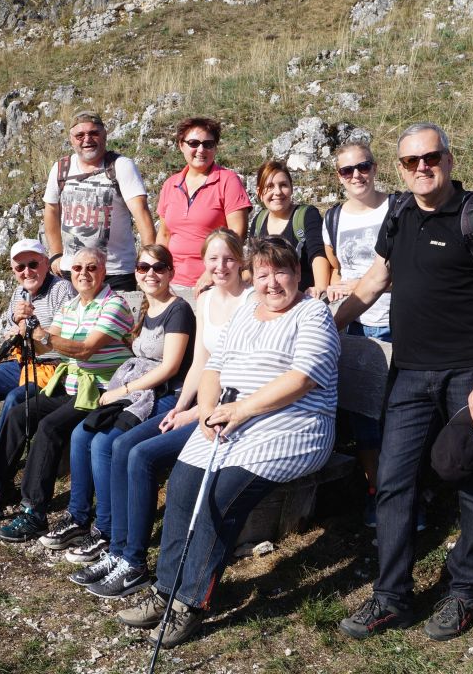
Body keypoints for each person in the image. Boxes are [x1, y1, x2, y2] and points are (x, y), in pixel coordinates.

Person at [334, 122, 473, 642]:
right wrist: (324, 329)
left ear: (449, 159)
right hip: (409, 374)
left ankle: (464, 590)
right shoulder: (398, 215)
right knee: (393, 482)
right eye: (411, 161)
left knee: (471, 476)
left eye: (430, 157)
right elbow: (373, 282)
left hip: (468, 373)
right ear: (399, 168)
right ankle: (391, 596)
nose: (422, 167)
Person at [118, 236, 340, 649]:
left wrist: (240, 411)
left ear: (297, 274)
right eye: (262, 273)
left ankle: (190, 602)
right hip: (228, 421)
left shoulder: (312, 314)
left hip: (292, 426)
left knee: (220, 495)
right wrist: (206, 410)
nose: (272, 282)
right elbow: (214, 366)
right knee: (184, 481)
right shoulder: (246, 312)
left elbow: (302, 379)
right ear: (251, 276)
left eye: (282, 271)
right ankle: (165, 588)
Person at [69, 228, 253, 596]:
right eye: (213, 259)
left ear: (241, 261)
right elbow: (201, 360)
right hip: (199, 403)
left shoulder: (249, 302)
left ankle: (134, 561)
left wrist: (196, 410)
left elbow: (235, 367)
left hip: (231, 407)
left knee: (138, 454)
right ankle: (119, 551)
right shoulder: (205, 301)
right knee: (121, 447)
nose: (220, 266)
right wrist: (184, 406)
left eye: (228, 258)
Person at [0, 248, 134, 543]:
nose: (84, 274)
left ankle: (33, 511)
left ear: (103, 272)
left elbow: (85, 349)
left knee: (49, 427)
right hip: (73, 387)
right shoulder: (71, 306)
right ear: (70, 273)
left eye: (91, 268)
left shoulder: (114, 306)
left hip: (102, 392)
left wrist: (41, 334)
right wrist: (25, 328)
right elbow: (43, 349)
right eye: (77, 269)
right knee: (17, 412)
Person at [39, 245, 196, 566]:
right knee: (83, 434)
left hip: (161, 392)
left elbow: (169, 367)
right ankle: (80, 516)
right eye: (143, 267)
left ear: (171, 272)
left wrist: (119, 390)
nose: (150, 274)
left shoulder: (178, 310)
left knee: (104, 442)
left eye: (159, 267)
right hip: (136, 387)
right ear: (135, 272)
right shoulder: (145, 309)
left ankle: (106, 529)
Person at [322, 142, 392, 528]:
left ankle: (404, 495)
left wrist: (366, 287)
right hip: (356, 325)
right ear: (338, 177)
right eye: (346, 171)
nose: (356, 176)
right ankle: (376, 494)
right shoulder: (333, 218)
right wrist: (336, 287)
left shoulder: (395, 207)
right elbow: (336, 270)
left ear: (375, 167)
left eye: (362, 167)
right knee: (365, 421)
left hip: (397, 322)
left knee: (398, 418)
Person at [0, 239, 73, 474]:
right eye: (20, 268)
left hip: (51, 366)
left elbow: (62, 340)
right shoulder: (19, 293)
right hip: (21, 362)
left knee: (14, 399)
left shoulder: (61, 290)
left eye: (33, 264)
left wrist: (29, 328)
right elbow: (12, 335)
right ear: (14, 271)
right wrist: (14, 328)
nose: (27, 272)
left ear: (44, 263)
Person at [43, 110, 155, 291]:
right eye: (80, 135)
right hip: (73, 272)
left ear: (104, 135)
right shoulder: (61, 168)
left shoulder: (121, 166)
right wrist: (56, 254)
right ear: (71, 139)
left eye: (93, 133)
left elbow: (141, 211)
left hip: (115, 272)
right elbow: (51, 209)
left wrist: (149, 263)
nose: (87, 139)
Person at [156, 117, 251, 297]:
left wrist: (211, 272)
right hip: (172, 285)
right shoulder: (170, 185)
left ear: (215, 148)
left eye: (208, 144)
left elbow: (237, 233)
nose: (201, 150)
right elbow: (164, 234)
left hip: (212, 284)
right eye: (193, 143)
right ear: (181, 145)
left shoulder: (227, 180)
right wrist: (157, 270)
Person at [248, 160, 329, 298]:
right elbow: (251, 264)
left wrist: (320, 288)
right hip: (271, 297)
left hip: (303, 296)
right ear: (259, 192)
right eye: (270, 186)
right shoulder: (258, 221)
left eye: (283, 185)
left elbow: (318, 254)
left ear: (291, 188)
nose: (277, 192)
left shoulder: (307, 215)